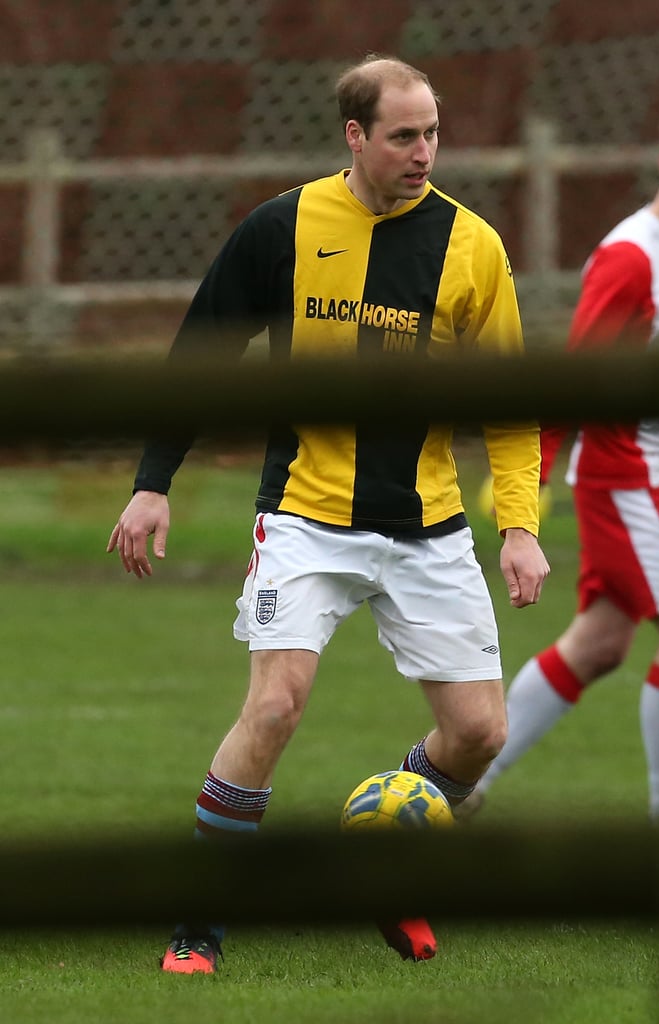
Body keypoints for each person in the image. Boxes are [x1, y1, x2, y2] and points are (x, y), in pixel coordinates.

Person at [107, 54, 550, 973]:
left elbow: (511, 401)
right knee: (274, 705)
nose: (423, 151)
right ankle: (201, 918)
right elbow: (203, 354)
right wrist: (155, 480)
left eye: (431, 132)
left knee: (479, 734)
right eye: (403, 135)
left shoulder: (472, 247)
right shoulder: (282, 227)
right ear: (355, 135)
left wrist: (518, 524)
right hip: (306, 514)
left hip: (425, 525)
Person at [459, 111, 659, 826]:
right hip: (628, 475)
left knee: (600, 643)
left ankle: (457, 786)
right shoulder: (632, 259)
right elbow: (571, 381)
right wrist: (531, 480)